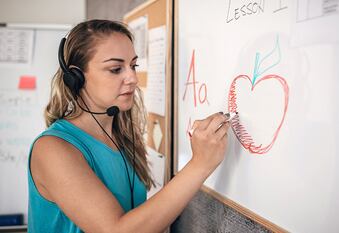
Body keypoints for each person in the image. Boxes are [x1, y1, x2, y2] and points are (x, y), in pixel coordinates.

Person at [28, 19, 230, 233]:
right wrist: (201, 163)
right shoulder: (52, 149)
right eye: (116, 69)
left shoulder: (121, 137)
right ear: (75, 77)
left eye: (133, 65)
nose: (132, 77)